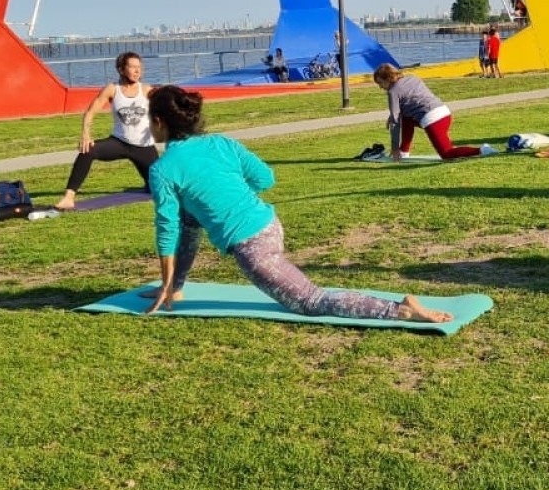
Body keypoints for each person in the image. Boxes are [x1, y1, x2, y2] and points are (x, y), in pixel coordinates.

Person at [140, 86, 451, 322]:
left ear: (158, 122)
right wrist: (226, 192)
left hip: (252, 248)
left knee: (310, 301)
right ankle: (175, 286)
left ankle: (401, 310)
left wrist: (220, 201)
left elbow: (165, 234)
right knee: (190, 219)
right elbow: (264, 179)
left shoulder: (163, 169)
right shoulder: (221, 142)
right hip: (270, 226)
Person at [54, 51, 159, 210]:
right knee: (87, 151)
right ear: (121, 69)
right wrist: (86, 135)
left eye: (139, 67)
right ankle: (69, 197)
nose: (138, 71)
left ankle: (150, 184)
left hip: (143, 147)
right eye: (132, 67)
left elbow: (165, 109)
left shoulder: (145, 89)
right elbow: (90, 112)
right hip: (119, 142)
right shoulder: (112, 89)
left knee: (157, 188)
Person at [374, 63, 495, 160]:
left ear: (388, 78)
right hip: (445, 113)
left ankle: (482, 150)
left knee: (447, 153)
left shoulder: (392, 91)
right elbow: (410, 103)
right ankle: (404, 152)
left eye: (380, 83)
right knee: (406, 118)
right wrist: (393, 116)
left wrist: (394, 148)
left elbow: (395, 123)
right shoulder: (413, 78)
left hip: (433, 120)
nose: (380, 87)